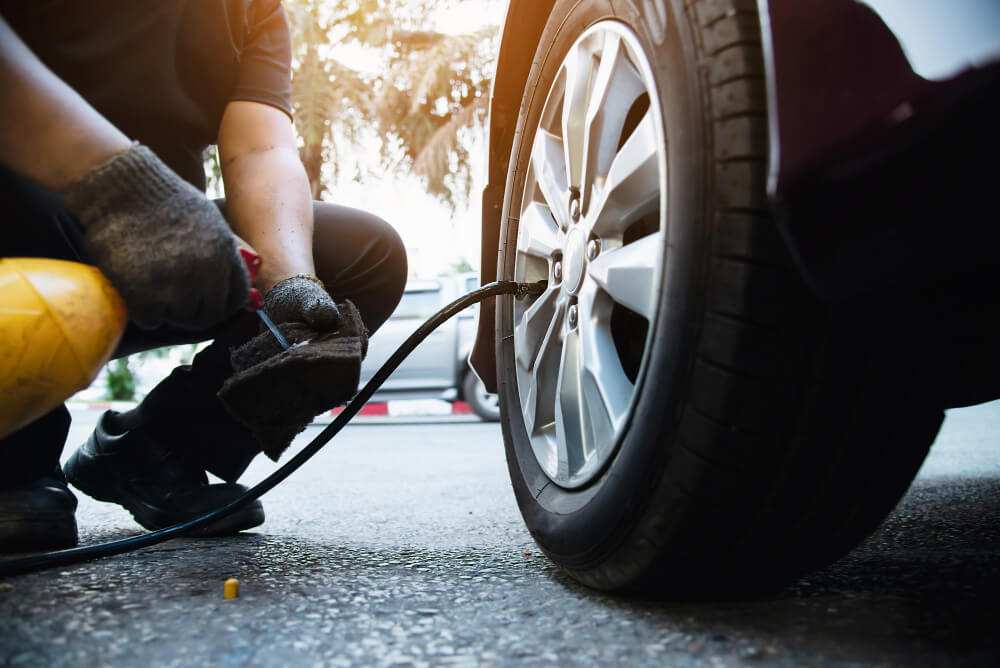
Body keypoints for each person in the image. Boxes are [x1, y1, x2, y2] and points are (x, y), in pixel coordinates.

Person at [0, 1, 407, 550]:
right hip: (26, 225)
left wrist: (291, 287)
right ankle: (15, 462)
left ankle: (158, 449)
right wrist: (122, 191)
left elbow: (260, 146)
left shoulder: (250, 10)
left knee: (365, 255)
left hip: (160, 247)